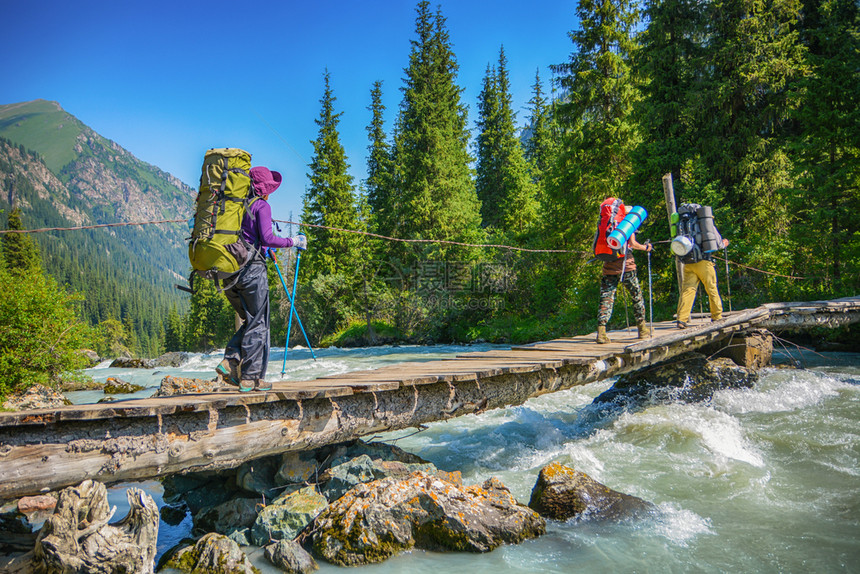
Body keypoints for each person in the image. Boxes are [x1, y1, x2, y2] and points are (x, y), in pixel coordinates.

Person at [216, 166, 307, 392]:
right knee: (259, 323)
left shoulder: (233, 207)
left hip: (227, 274)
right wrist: (293, 242)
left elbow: (249, 237)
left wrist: (263, 247)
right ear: (263, 189)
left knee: (251, 321)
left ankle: (230, 361)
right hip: (251, 272)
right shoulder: (261, 206)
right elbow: (267, 237)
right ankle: (251, 379)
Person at [593, 199, 652, 344]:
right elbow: (633, 244)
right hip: (627, 265)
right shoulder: (626, 225)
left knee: (606, 297)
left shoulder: (604, 224)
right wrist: (646, 248)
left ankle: (601, 332)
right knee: (636, 296)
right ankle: (643, 329)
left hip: (609, 265)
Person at [675, 215, 729, 329]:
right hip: (704, 262)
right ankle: (717, 316)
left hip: (688, 262)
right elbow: (718, 244)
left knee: (688, 291)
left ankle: (681, 319)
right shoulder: (705, 224)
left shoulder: (683, 224)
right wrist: (724, 243)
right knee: (711, 288)